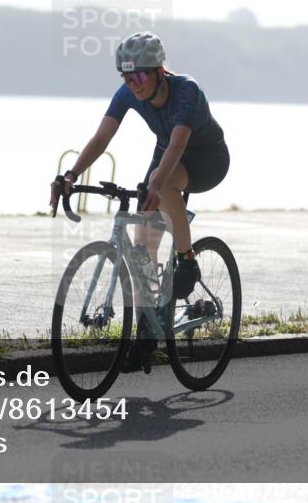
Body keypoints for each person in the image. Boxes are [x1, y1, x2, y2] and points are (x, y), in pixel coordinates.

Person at [50, 31, 229, 371]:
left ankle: (187, 259)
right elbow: (102, 137)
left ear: (160, 71)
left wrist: (157, 184)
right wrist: (70, 175)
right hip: (166, 156)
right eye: (126, 77)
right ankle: (148, 334)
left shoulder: (186, 90)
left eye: (141, 76)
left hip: (207, 158)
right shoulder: (127, 94)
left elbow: (178, 144)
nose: (133, 84)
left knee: (161, 184)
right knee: (143, 245)